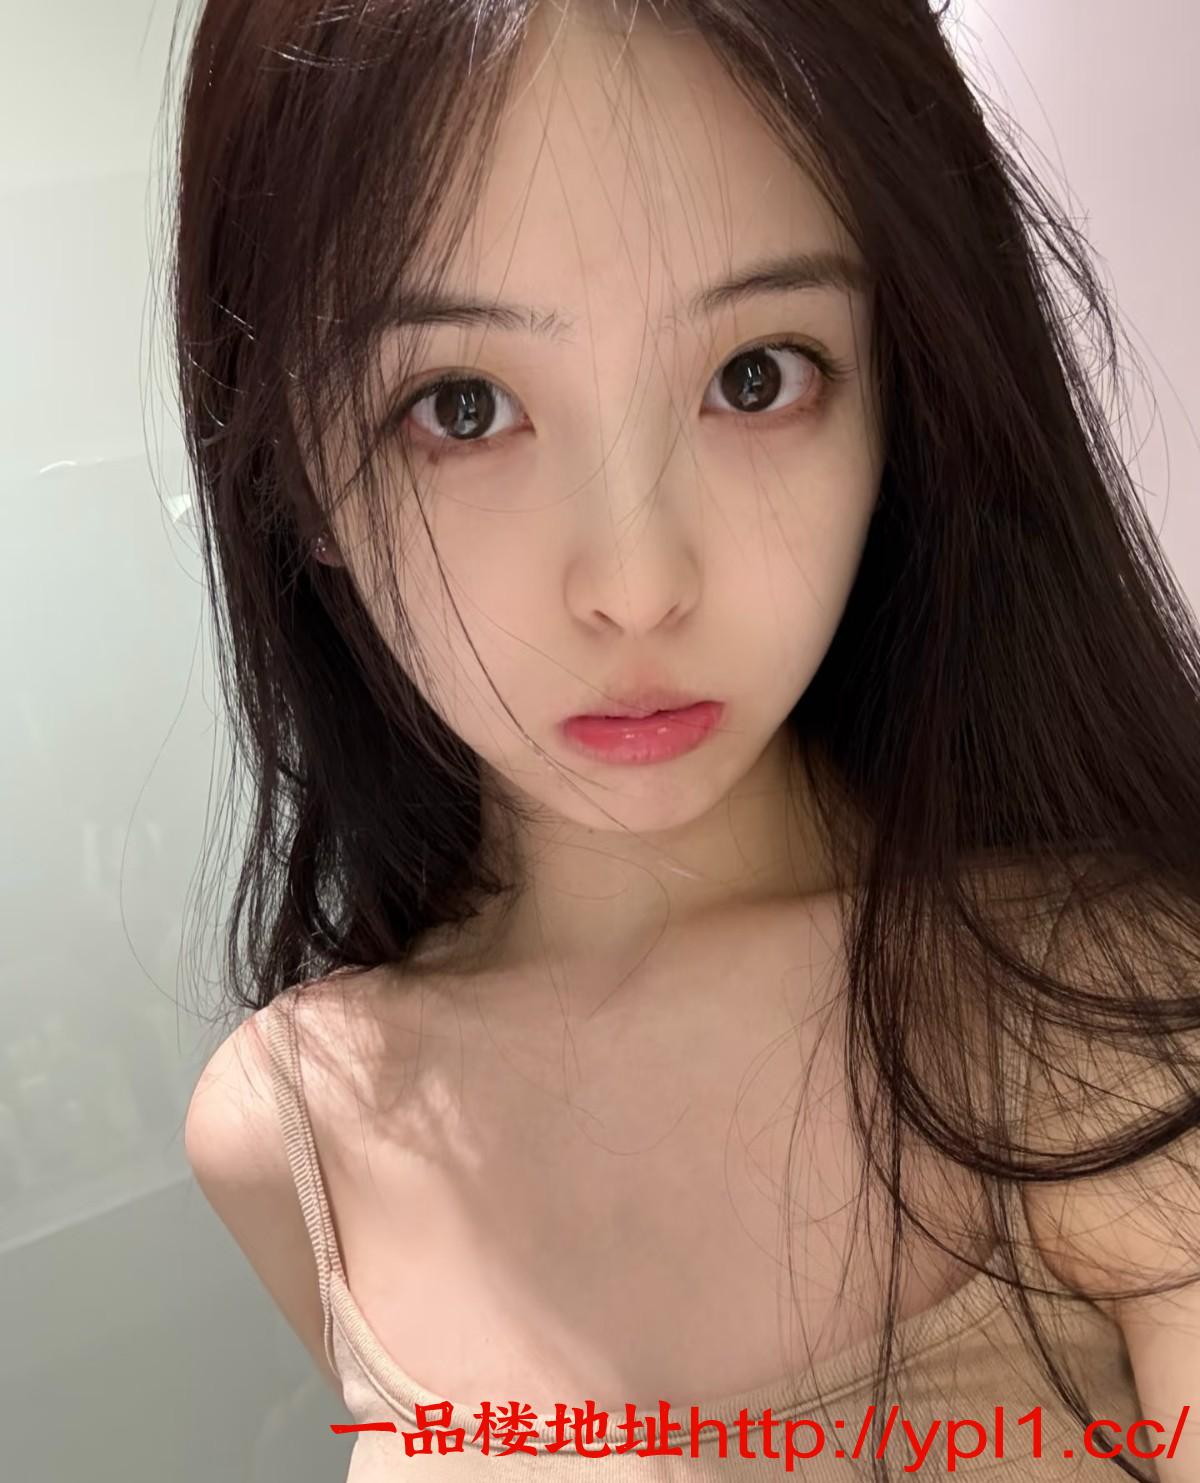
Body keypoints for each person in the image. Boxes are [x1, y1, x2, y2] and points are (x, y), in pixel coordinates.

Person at [174, 1, 1200, 1478]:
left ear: (898, 405)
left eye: (756, 375)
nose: (639, 582)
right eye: (462, 406)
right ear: (293, 470)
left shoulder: (1110, 1023)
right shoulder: (291, 1132)